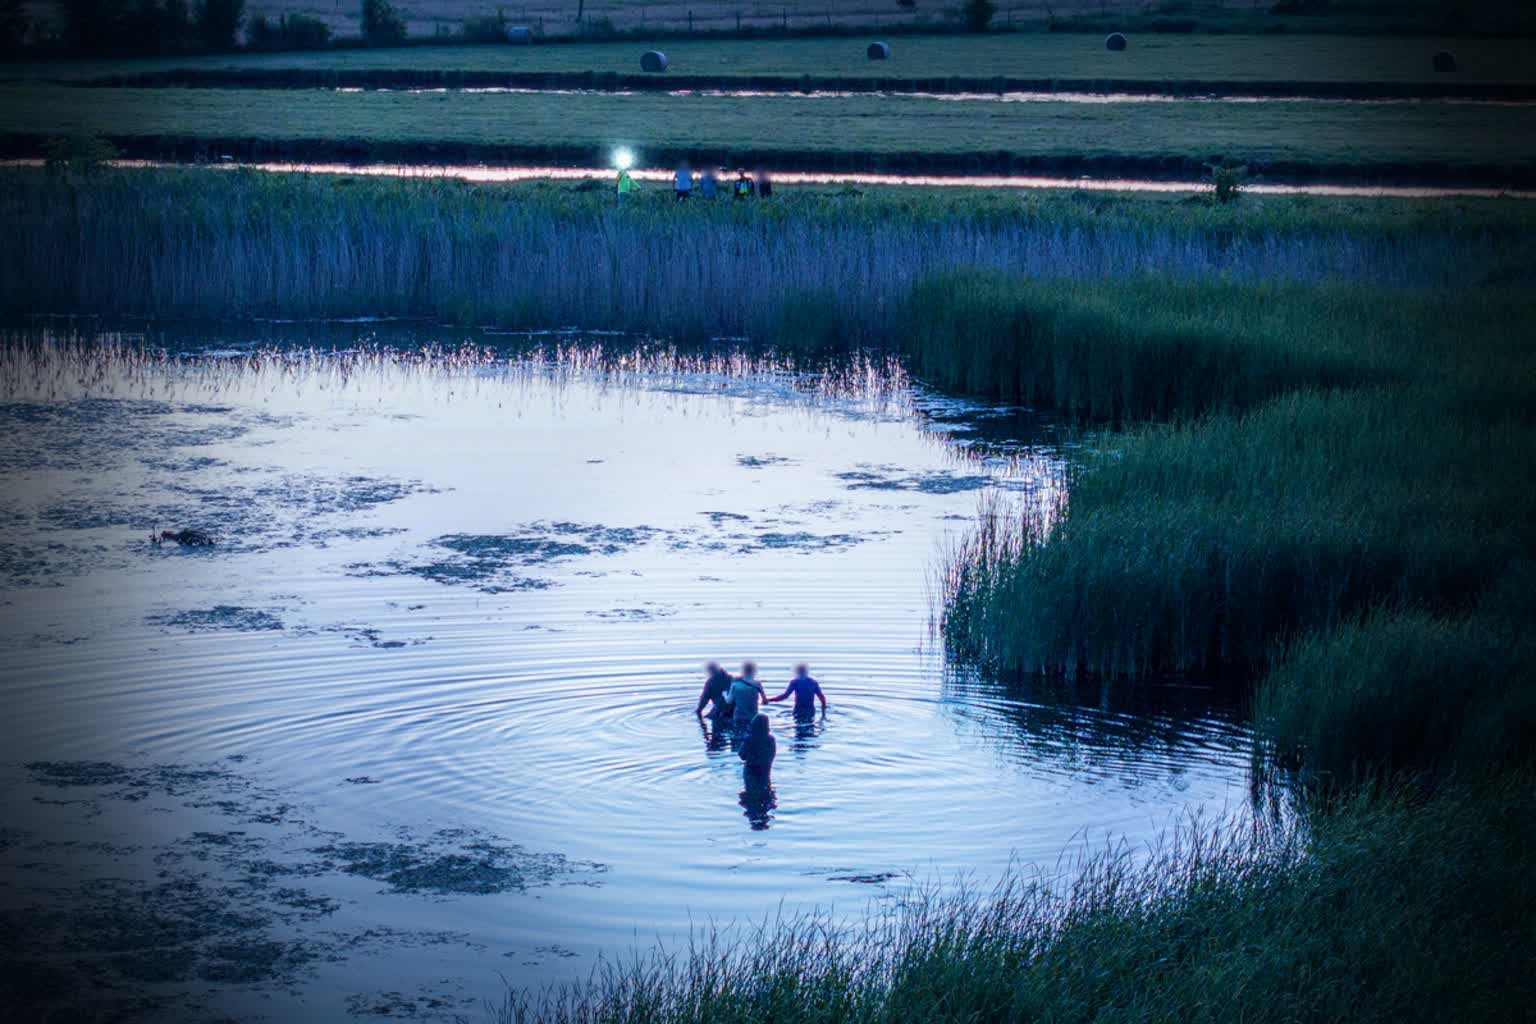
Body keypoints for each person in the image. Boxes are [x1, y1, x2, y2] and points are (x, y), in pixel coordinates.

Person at [738, 712, 776, 787]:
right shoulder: (771, 739)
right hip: (765, 771)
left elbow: (742, 755)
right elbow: (772, 754)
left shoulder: (749, 739)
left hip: (750, 772)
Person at [728, 662, 768, 732]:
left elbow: (729, 701)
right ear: (754, 671)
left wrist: (724, 694)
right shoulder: (757, 684)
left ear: (742, 671)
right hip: (753, 717)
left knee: (737, 736)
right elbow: (765, 702)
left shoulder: (735, 684)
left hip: (738, 716)